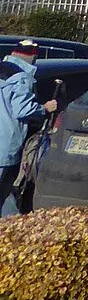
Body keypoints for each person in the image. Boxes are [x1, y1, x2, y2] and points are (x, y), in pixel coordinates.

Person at [0, 40, 57, 218]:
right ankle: (16, 227)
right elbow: (23, 109)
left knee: (6, 194)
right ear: (33, 56)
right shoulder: (22, 78)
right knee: (5, 189)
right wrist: (45, 108)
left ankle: (15, 226)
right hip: (5, 145)